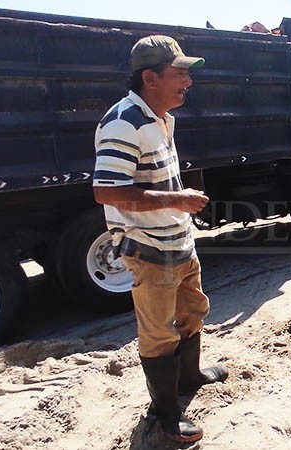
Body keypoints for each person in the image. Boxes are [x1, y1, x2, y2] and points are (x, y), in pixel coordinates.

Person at [92, 35, 228, 443]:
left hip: (177, 239)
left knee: (193, 310)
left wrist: (179, 210)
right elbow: (107, 191)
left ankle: (189, 376)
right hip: (148, 247)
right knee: (158, 332)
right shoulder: (124, 122)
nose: (188, 81)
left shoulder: (161, 117)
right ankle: (166, 415)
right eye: (180, 73)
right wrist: (178, 198)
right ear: (150, 78)